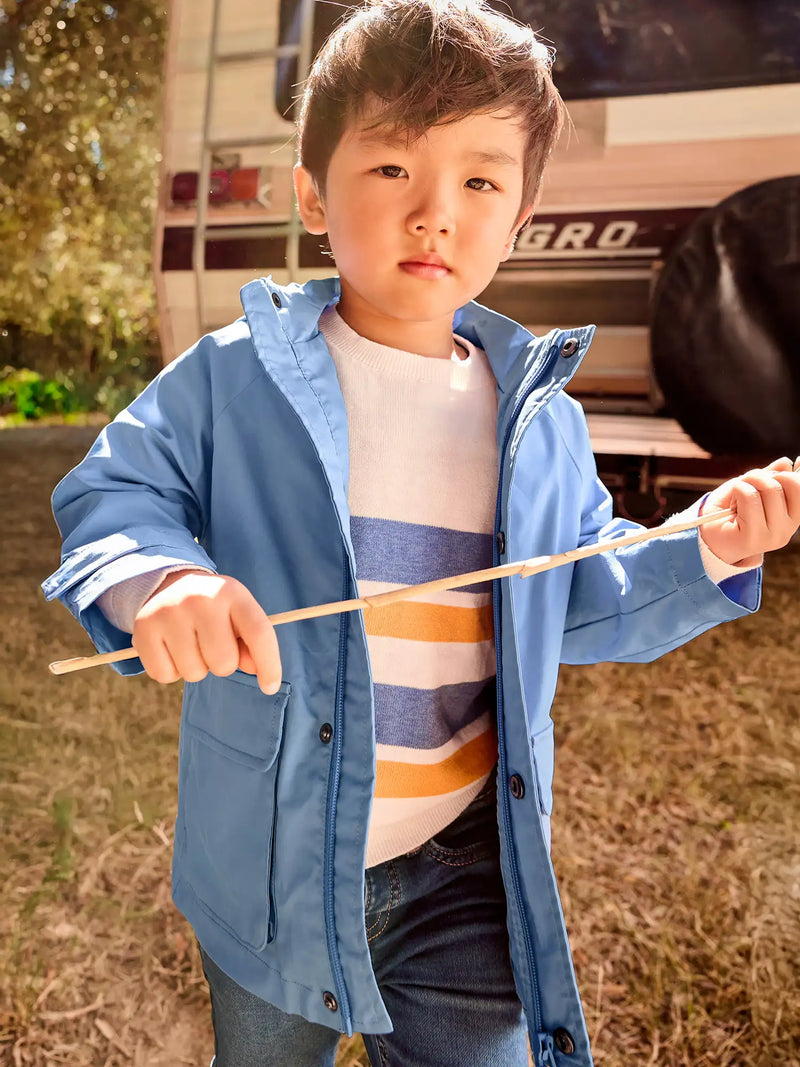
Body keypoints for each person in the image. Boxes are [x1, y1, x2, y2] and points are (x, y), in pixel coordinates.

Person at [42, 1, 800, 1064]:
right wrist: (158, 580)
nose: (434, 213)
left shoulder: (539, 419)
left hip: (466, 866)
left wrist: (704, 545)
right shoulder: (234, 373)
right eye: (393, 169)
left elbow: (577, 589)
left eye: (479, 181)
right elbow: (114, 492)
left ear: (520, 217)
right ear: (312, 192)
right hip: (275, 864)